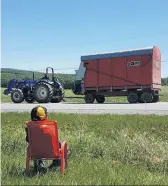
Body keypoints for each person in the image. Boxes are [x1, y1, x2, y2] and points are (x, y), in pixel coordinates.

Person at [25, 105, 62, 173]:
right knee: (62, 145)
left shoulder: (29, 128)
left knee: (38, 146)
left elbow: (28, 139)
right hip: (52, 152)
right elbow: (55, 141)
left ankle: (40, 164)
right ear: (45, 117)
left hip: (35, 152)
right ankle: (56, 163)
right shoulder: (48, 128)